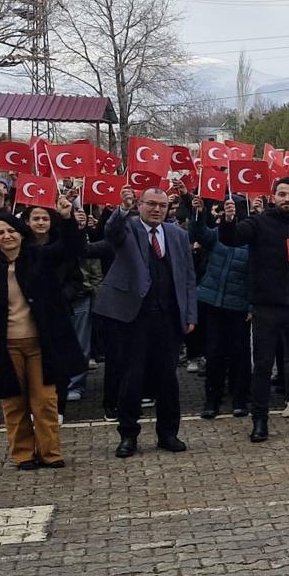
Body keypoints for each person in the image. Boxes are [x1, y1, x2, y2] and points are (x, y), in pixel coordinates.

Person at [0, 200, 87, 470]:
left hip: (41, 343)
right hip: (5, 345)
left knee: (45, 401)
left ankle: (50, 452)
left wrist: (66, 219)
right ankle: (23, 454)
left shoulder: (39, 258)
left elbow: (70, 248)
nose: (7, 236)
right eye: (0, 233)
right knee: (13, 402)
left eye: (11, 230)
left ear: (21, 233)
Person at [219, 177, 289, 441]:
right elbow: (232, 238)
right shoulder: (258, 223)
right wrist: (228, 220)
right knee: (262, 365)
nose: (287, 199)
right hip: (266, 307)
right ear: (273, 197)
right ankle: (260, 421)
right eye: (282, 194)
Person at [94, 187, 198, 458]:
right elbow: (111, 232)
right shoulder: (127, 228)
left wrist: (190, 316)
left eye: (162, 205)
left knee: (168, 379)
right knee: (131, 377)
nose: (157, 210)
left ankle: (168, 434)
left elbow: (188, 277)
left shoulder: (178, 235)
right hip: (132, 318)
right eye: (151, 204)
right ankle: (128, 435)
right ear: (139, 205)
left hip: (168, 317)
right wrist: (121, 208)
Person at [190, 198, 251, 419]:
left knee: (239, 354)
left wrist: (252, 305)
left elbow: (257, 276)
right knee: (214, 353)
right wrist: (198, 212)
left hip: (240, 306)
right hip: (213, 301)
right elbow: (199, 234)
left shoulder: (252, 239)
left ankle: (240, 399)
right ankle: (212, 400)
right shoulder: (218, 234)